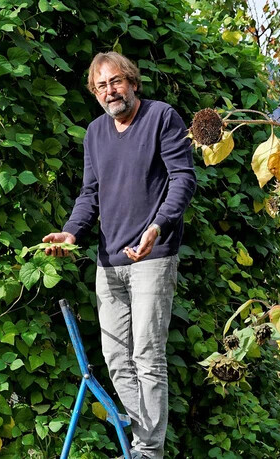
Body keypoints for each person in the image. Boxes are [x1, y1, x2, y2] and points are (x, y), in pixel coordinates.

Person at [42, 52, 197, 458]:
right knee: (115, 357)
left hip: (153, 254)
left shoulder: (163, 118)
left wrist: (158, 226)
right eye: (101, 86)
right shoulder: (94, 133)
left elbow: (183, 178)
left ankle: (147, 451)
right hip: (108, 261)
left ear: (132, 81)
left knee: (148, 355)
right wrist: (73, 233)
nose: (110, 91)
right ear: (95, 93)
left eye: (116, 82)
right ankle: (143, 440)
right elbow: (90, 194)